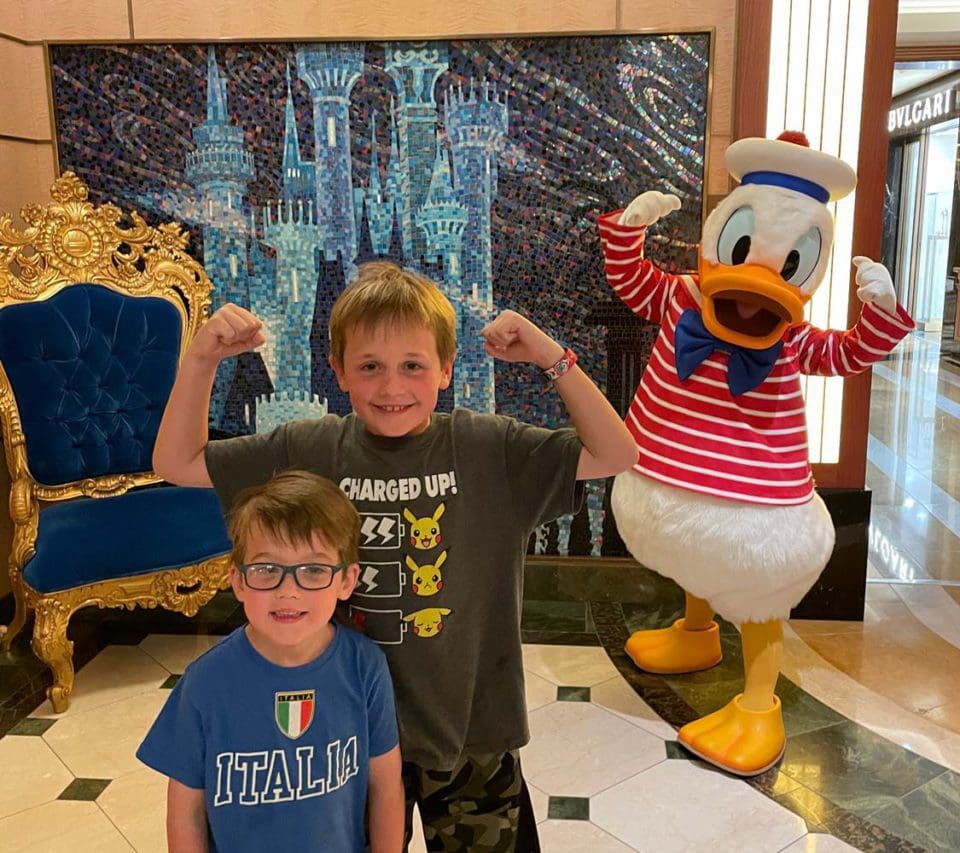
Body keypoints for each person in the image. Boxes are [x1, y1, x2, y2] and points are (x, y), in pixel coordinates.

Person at [151, 260, 638, 851]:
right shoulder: (309, 446)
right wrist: (201, 356)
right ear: (338, 371)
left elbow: (614, 452)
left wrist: (549, 356)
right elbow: (177, 463)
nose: (391, 387)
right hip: (341, 737)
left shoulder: (488, 448)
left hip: (469, 729)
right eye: (370, 367)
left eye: (412, 366)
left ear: (445, 368)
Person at [137, 470, 404, 852]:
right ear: (239, 581)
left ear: (347, 580)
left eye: (313, 570)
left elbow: (386, 788)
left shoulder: (365, 667)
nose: (288, 591)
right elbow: (185, 812)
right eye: (266, 570)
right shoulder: (205, 683)